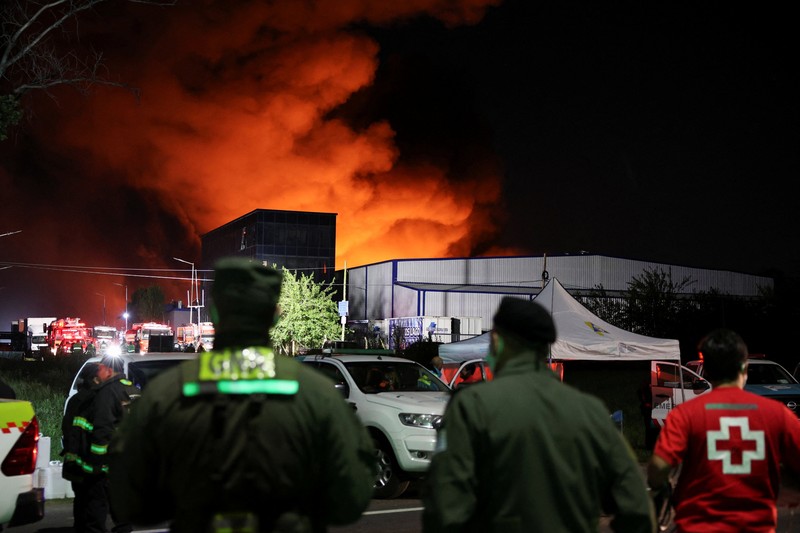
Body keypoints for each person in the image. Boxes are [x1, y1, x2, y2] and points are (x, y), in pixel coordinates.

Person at [109, 257, 376, 532]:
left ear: (214, 313)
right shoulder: (316, 394)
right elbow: (352, 497)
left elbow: (128, 499)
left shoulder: (167, 393)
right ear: (274, 315)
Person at [422, 296, 655, 532]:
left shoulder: (471, 406)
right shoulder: (590, 411)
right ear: (545, 346)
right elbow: (635, 503)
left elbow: (444, 500)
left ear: (496, 341)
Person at [647, 329, 800, 532]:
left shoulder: (685, 414)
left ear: (707, 371)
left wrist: (662, 486)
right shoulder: (778, 414)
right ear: (744, 368)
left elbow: (658, 467)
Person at [67, 355, 139, 533]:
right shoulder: (133, 390)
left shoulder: (107, 393)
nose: (97, 370)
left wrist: (95, 467)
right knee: (122, 517)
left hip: (106, 468)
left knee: (95, 517)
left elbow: (102, 431)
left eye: (99, 367)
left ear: (108, 369)